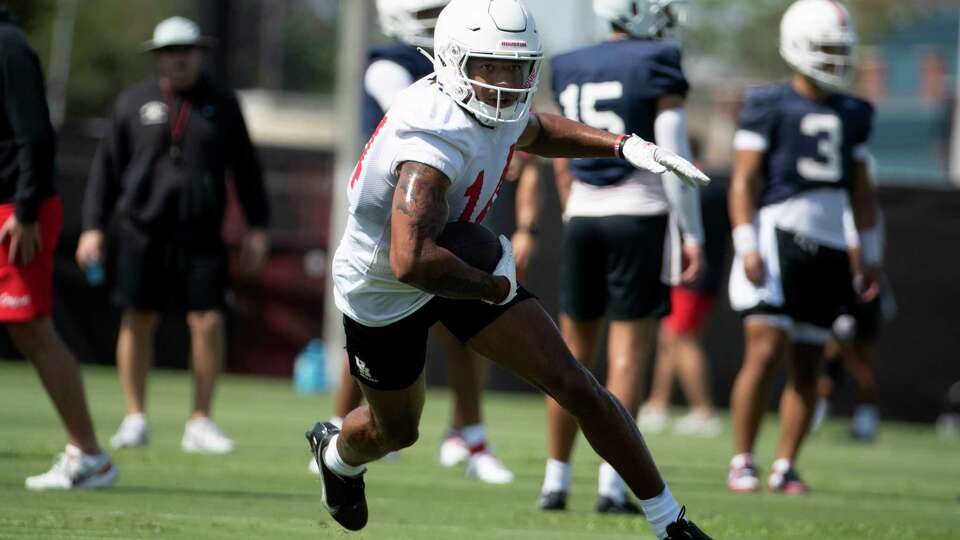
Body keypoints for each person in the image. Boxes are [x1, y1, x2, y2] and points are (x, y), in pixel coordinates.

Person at [305, 1, 712, 538]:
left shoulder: (485, 101)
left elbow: (536, 130)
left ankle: (670, 523)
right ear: (453, 62)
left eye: (515, 68)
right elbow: (411, 261)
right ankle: (337, 454)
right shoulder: (432, 135)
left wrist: (624, 144)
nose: (504, 82)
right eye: (489, 67)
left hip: (451, 256)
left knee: (577, 384)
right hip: (382, 286)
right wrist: (493, 285)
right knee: (396, 431)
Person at [320, 0, 518, 483]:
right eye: (427, 10)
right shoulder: (394, 65)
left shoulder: (467, 61)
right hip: (401, 218)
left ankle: (469, 433)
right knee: (372, 338)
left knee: (465, 333)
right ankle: (340, 426)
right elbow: (428, 128)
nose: (436, 19)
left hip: (451, 211)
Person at [537, 0, 705, 514]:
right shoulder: (657, 58)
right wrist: (691, 232)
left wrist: (573, 208)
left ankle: (555, 478)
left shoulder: (568, 62)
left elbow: (559, 149)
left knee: (570, 355)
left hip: (584, 216)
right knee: (627, 355)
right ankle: (612, 484)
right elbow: (672, 144)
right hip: (639, 211)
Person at [76, 17, 270, 454]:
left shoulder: (222, 103)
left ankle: (200, 421)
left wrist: (257, 225)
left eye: (187, 49)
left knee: (208, 321)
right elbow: (105, 171)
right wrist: (91, 226)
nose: (179, 57)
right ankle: (134, 417)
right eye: (170, 51)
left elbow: (247, 169)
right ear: (158, 56)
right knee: (137, 319)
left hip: (202, 231)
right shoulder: (132, 103)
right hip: (140, 230)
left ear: (199, 53)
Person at [726, 0, 882, 494]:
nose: (836, 60)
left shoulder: (855, 111)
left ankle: (784, 465)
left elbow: (861, 191)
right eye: (826, 49)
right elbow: (744, 181)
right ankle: (742, 459)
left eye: (841, 50)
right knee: (765, 348)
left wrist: (870, 249)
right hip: (775, 234)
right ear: (797, 47)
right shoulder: (769, 103)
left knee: (810, 361)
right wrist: (746, 242)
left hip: (831, 240)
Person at [0, 3, 117, 490]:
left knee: (31, 329)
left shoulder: (7, 43)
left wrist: (26, 211)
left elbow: (35, 134)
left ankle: (90, 454)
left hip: (16, 211)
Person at [639, 172, 727, 438]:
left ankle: (704, 411)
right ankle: (657, 404)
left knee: (681, 338)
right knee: (669, 337)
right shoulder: (714, 189)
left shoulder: (691, 189)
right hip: (694, 276)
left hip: (691, 276)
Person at [810, 207, 895, 441]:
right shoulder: (856, 208)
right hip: (851, 291)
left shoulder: (858, 210)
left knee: (851, 356)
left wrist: (856, 283)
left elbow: (858, 249)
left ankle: (863, 420)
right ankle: (821, 412)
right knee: (832, 356)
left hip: (857, 294)